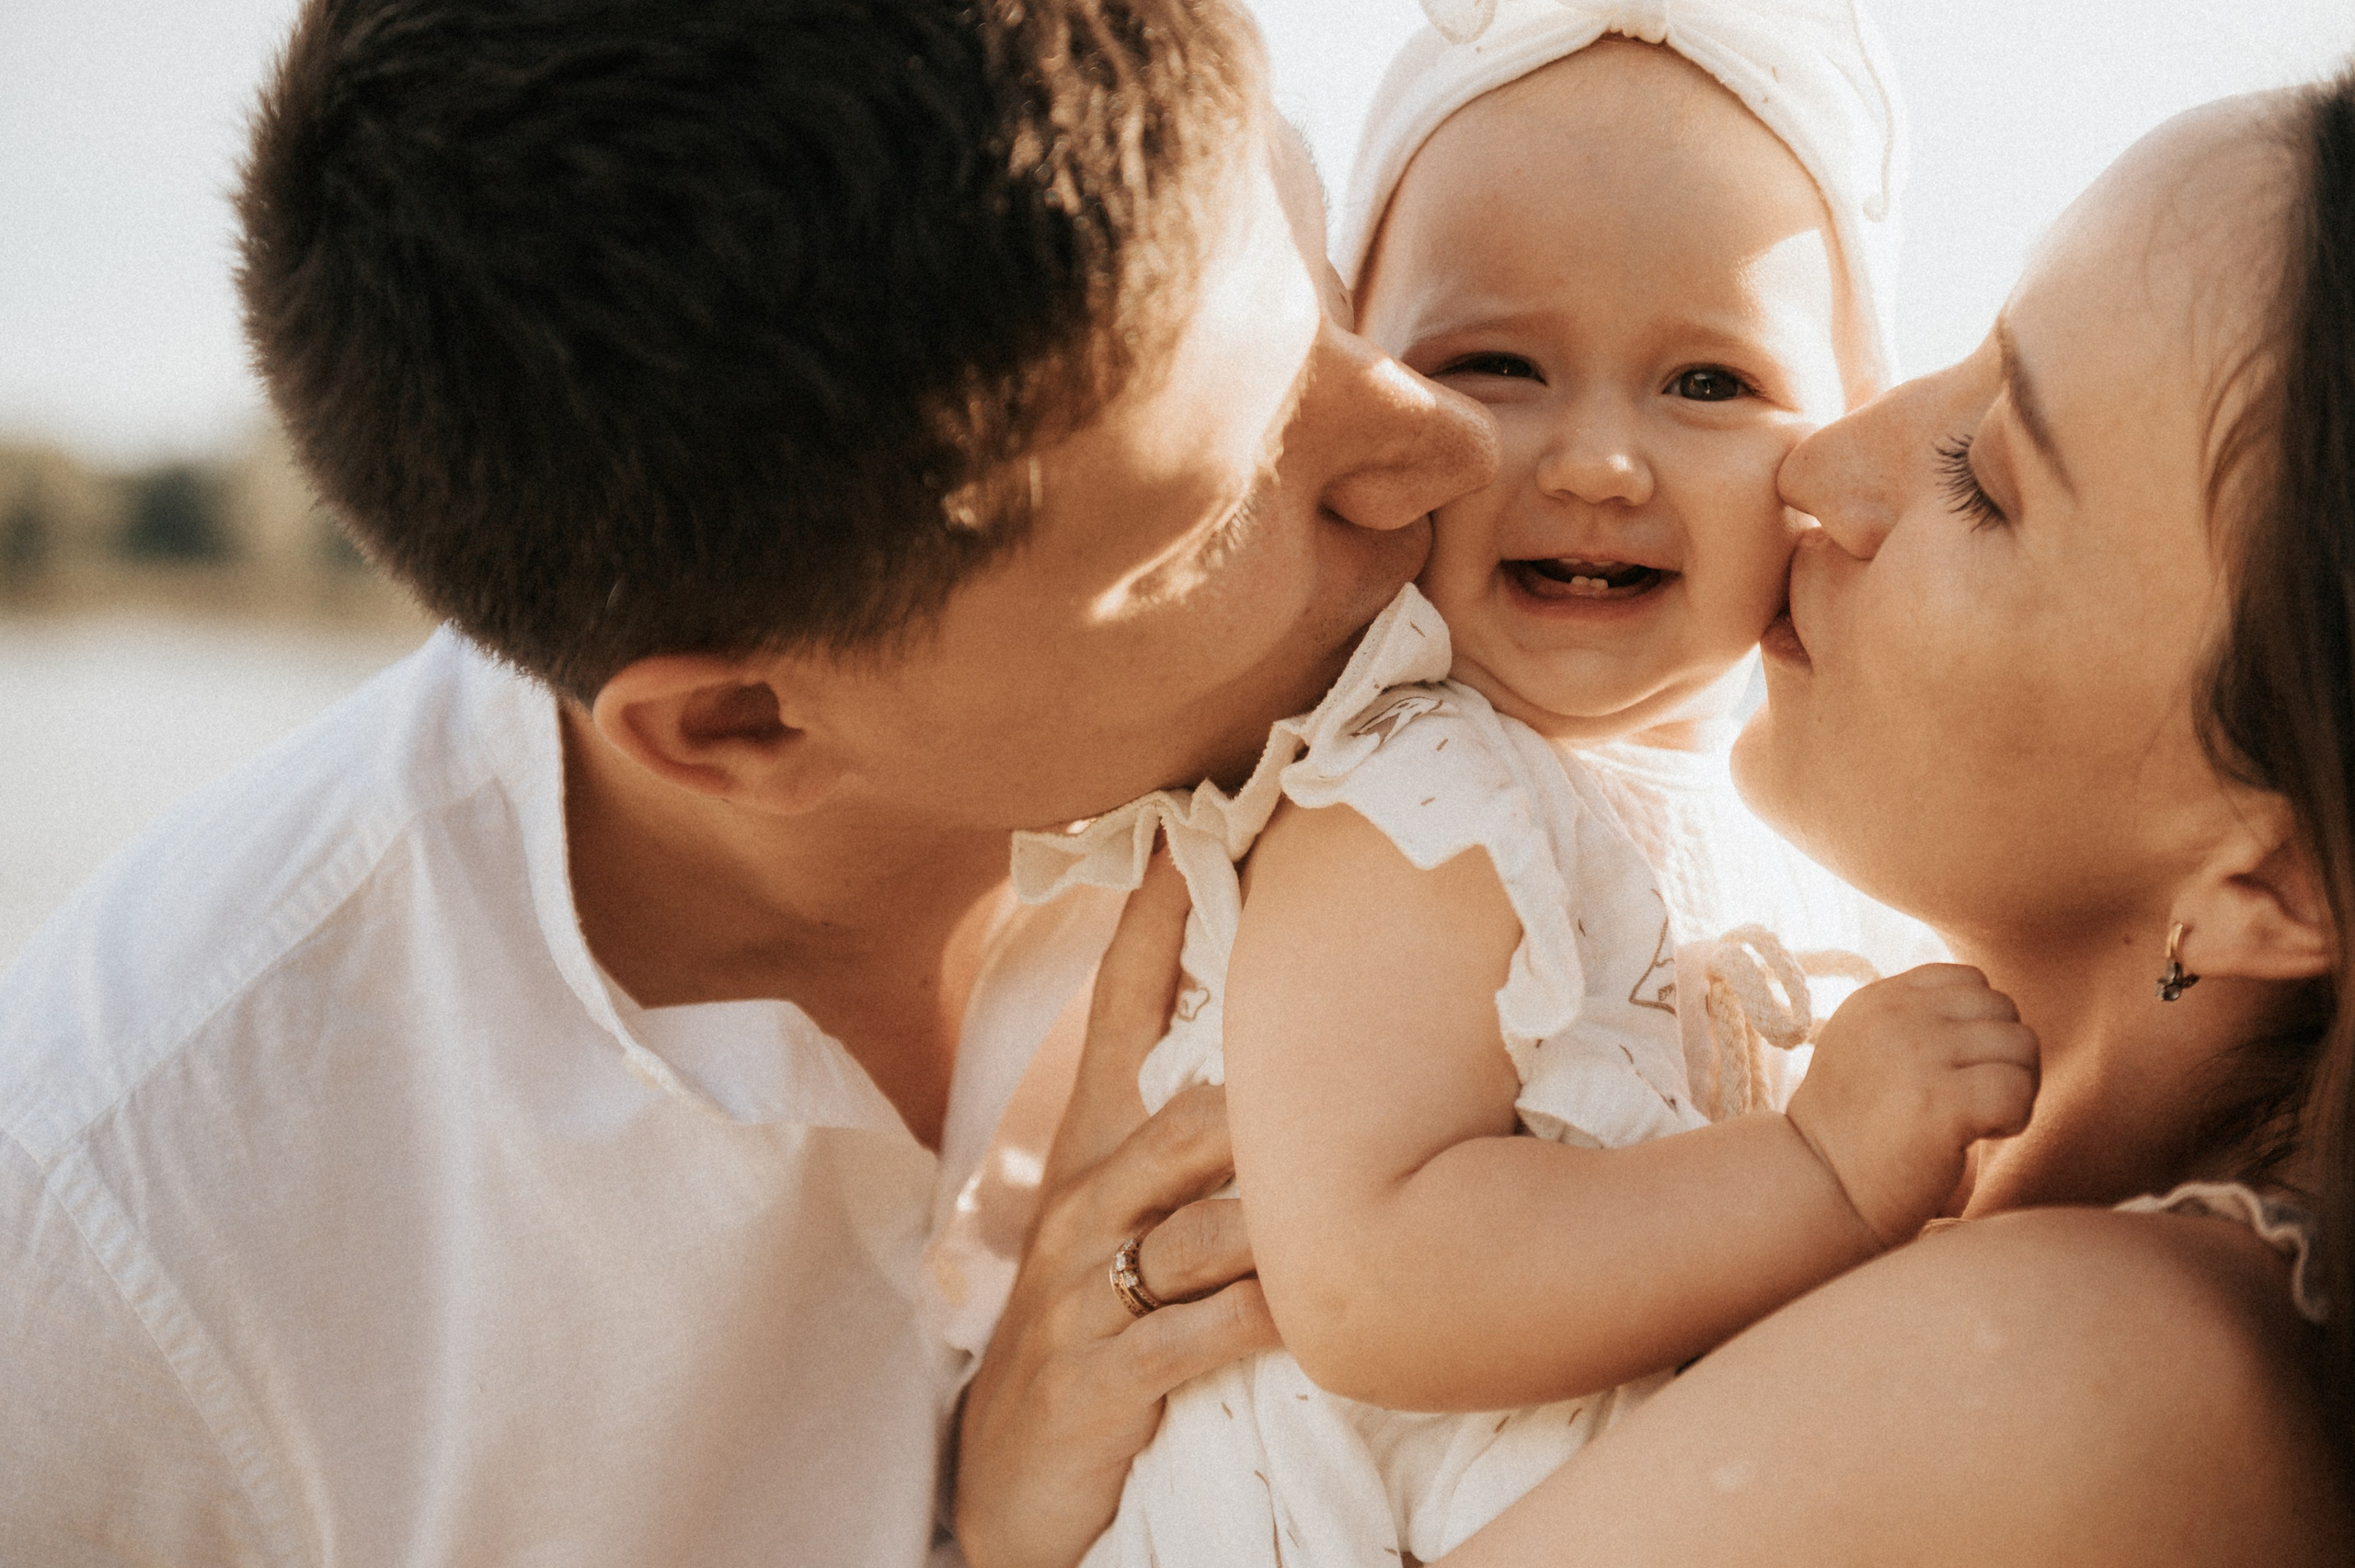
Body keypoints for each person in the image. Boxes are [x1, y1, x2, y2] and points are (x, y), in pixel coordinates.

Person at [0, 1, 1493, 1562]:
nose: (1448, 447)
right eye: (1217, 513)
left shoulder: (1491, 662)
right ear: (739, 729)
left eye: (1319, 270)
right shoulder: (121, 1274)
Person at [1005, 7, 2013, 1564]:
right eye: (1496, 364)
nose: (1601, 460)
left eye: (1707, 382)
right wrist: (1817, 1166)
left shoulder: (1796, 858)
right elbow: (1369, 1275)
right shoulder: (1412, 796)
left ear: (1833, 451)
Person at [1410, 62, 2355, 1565]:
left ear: (2281, 879)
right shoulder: (1854, 1183)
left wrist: (1011, 1518)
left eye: (1982, 481)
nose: (1822, 468)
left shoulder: (2062, 1373)